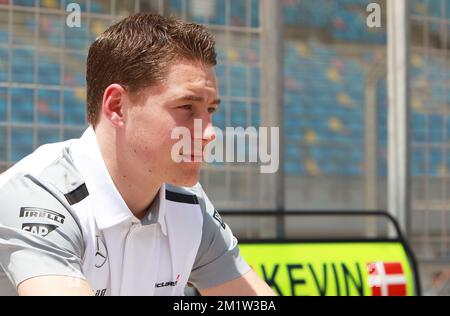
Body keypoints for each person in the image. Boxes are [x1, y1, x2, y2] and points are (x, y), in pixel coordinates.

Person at [0, 13, 275, 296]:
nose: (209, 133)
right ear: (117, 106)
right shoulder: (37, 195)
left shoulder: (189, 203)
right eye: (186, 108)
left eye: (210, 111)